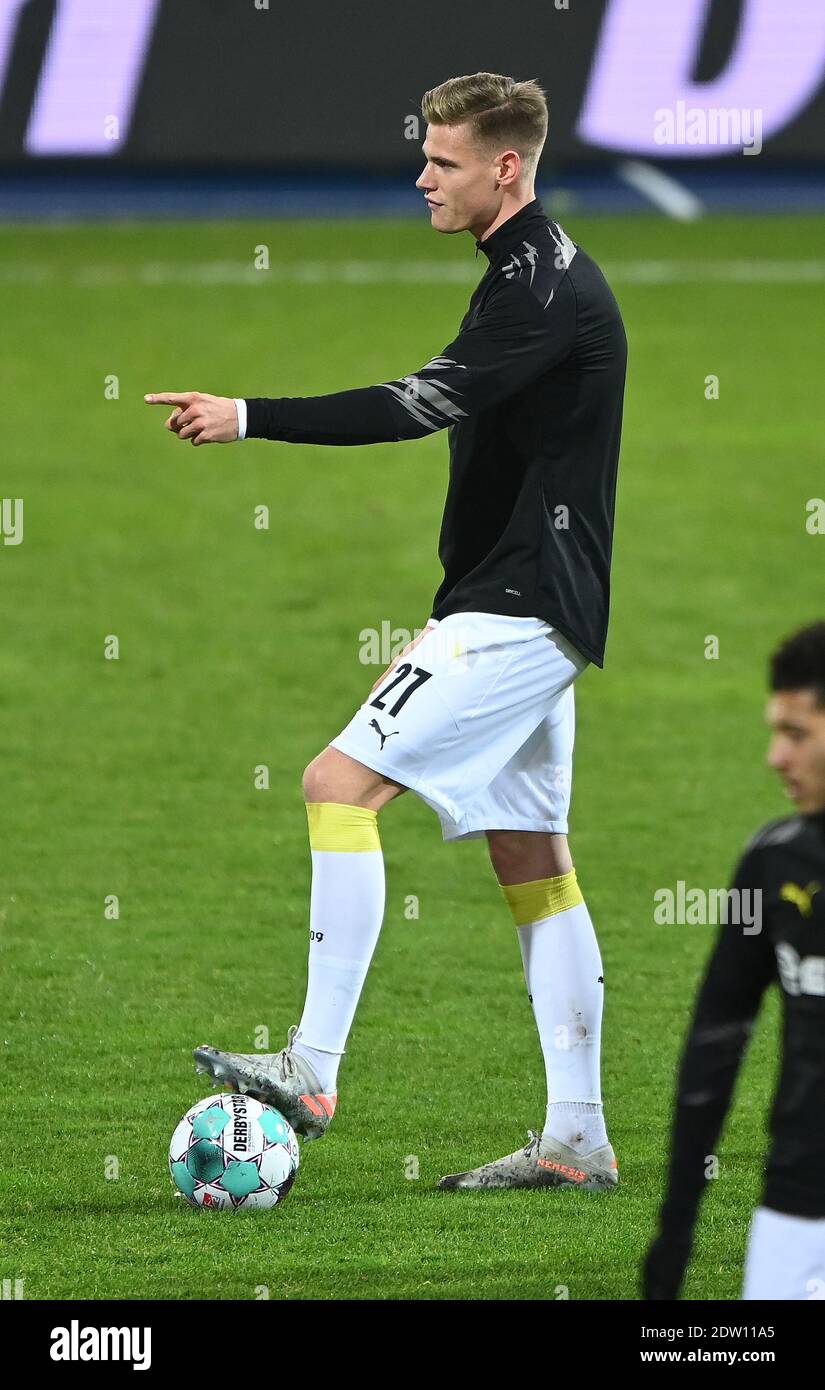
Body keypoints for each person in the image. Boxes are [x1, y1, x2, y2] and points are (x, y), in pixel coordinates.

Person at [145, 71, 627, 1191]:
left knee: (334, 783)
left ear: (506, 165)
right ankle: (576, 1140)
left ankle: (311, 1067)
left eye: (443, 161)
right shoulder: (524, 270)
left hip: (518, 609)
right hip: (524, 604)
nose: (422, 177)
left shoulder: (545, 291)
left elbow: (418, 404)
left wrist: (248, 417)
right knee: (534, 861)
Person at [645, 621, 825, 1297]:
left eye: (796, 733)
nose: (774, 757)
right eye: (774, 731)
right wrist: (675, 1228)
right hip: (796, 1207)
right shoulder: (776, 863)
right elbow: (713, 1047)